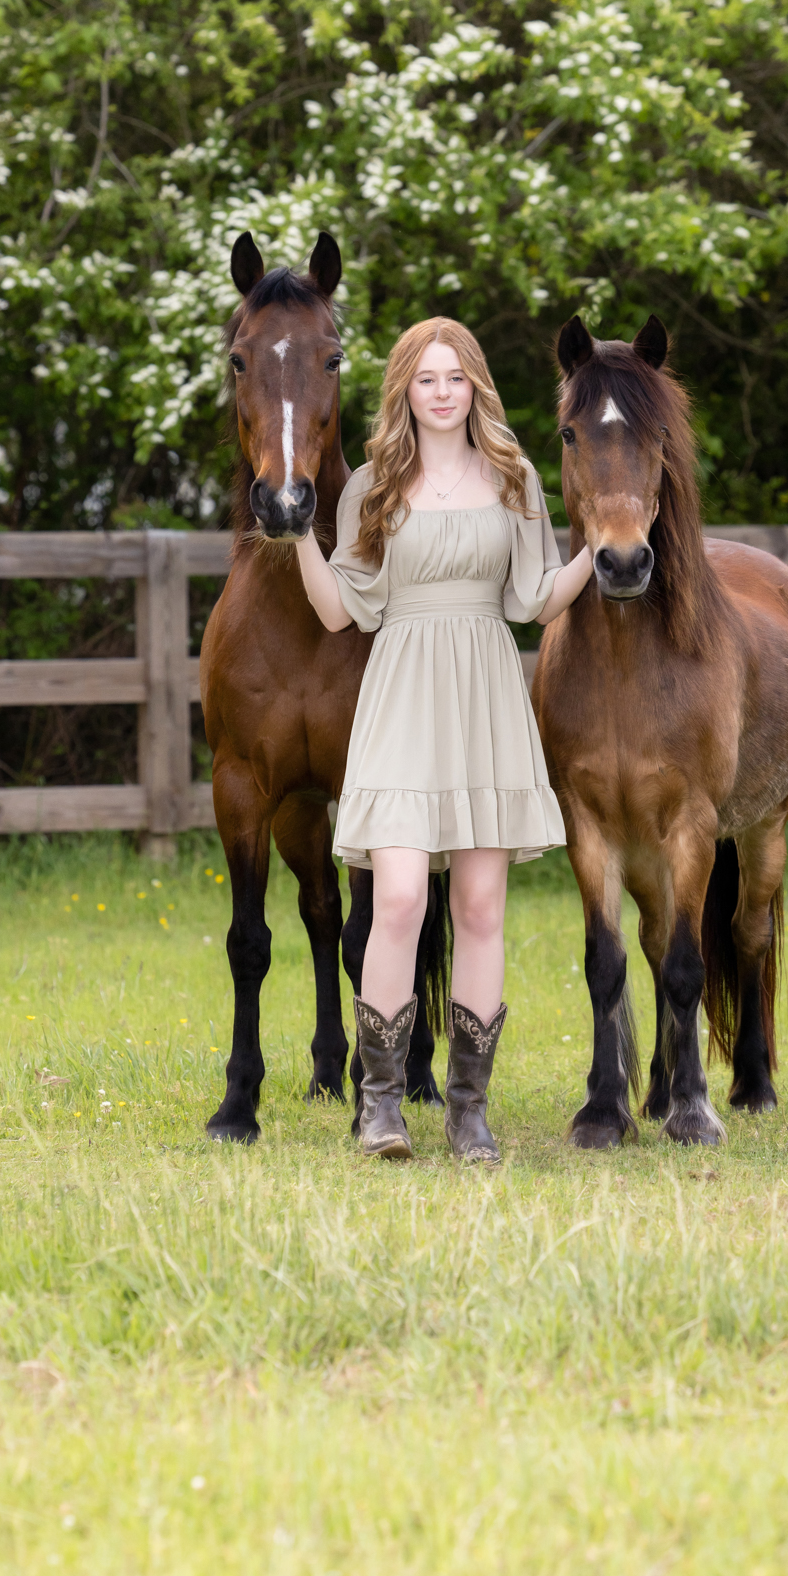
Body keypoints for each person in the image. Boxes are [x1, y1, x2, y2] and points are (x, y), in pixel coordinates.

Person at [295, 317, 593, 1163]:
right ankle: (380, 1104)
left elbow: (534, 597)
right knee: (396, 900)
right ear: (404, 391)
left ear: (475, 388)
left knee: (480, 907)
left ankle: (468, 1111)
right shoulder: (375, 487)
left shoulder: (515, 477)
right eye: (424, 379)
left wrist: (600, 550)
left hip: (486, 695)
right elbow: (335, 608)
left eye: (453, 377)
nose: (440, 392)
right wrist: (296, 543)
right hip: (401, 695)